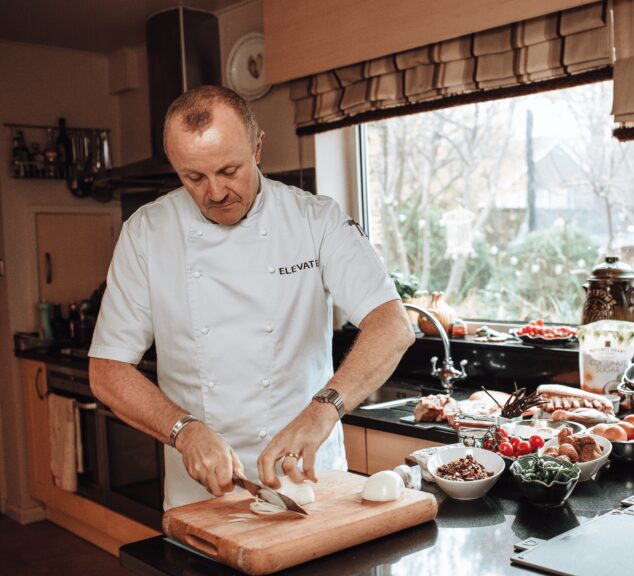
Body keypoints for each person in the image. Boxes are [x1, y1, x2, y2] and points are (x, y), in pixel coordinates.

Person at [88, 85, 414, 509]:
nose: (216, 192)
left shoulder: (316, 220)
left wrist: (323, 411)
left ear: (257, 148)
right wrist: (182, 431)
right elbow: (108, 369)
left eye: (228, 170)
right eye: (194, 177)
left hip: (309, 475)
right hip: (200, 488)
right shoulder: (145, 233)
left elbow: (392, 326)